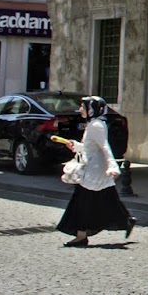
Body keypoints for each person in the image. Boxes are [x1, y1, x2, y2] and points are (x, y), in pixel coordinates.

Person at [56, 97, 133, 247]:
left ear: (91, 109)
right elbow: (90, 147)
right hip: (93, 170)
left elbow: (105, 147)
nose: (80, 109)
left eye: (82, 106)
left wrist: (113, 167)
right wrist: (76, 146)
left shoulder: (96, 125)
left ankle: (81, 235)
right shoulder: (93, 124)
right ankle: (125, 220)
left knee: (81, 202)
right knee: (106, 200)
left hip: (94, 172)